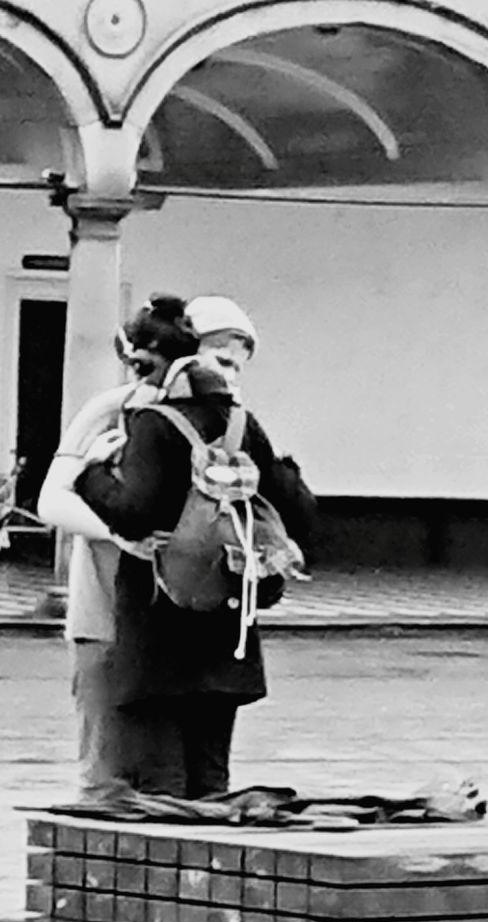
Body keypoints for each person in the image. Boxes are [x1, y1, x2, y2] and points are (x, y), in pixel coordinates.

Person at [38, 293, 312, 797]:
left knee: (180, 783)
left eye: (239, 367)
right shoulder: (112, 410)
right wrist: (122, 532)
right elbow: (51, 502)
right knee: (110, 781)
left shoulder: (226, 423)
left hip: (180, 617)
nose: (231, 376)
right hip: (107, 618)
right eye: (222, 360)